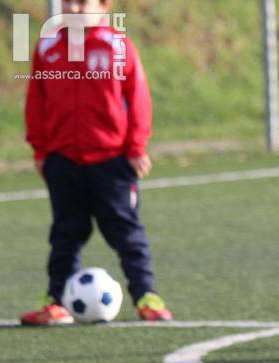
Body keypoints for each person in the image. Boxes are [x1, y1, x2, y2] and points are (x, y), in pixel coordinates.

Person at [20, 0, 172, 325]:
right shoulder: (48, 47)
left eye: (82, 2)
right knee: (65, 234)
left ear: (104, 5)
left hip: (112, 161)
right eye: (67, 2)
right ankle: (56, 301)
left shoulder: (118, 46)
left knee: (126, 233)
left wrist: (135, 146)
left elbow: (138, 97)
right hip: (63, 161)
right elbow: (37, 99)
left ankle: (146, 297)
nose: (73, 8)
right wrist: (41, 150)